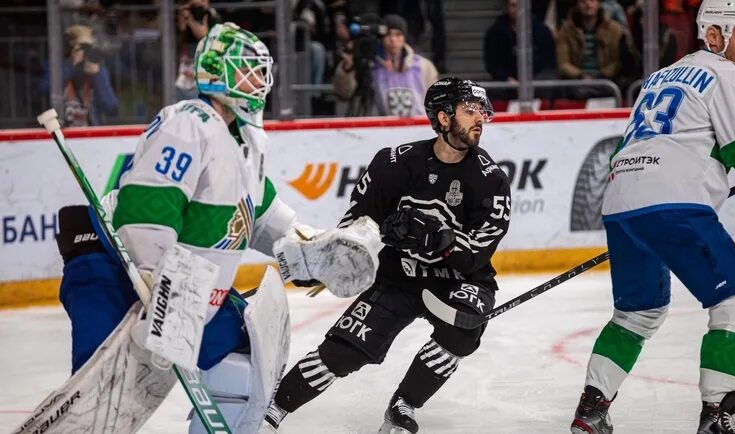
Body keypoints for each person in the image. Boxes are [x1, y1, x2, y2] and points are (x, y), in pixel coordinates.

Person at [51, 22, 381, 434]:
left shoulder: (245, 142)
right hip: (116, 276)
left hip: (186, 292)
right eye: (247, 69)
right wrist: (159, 281)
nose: (259, 81)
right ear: (214, 71)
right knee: (102, 406)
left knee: (242, 369)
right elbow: (149, 207)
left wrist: (310, 248)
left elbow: (259, 216)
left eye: (261, 71)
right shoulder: (188, 122)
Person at [259, 77, 512, 434]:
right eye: (469, 111)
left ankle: (403, 406)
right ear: (442, 117)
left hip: (459, 281)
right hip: (398, 278)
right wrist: (332, 260)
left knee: (463, 328)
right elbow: (354, 226)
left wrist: (441, 240)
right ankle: (273, 408)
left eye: (482, 112)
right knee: (344, 352)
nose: (480, 119)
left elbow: (477, 255)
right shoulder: (393, 164)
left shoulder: (491, 181)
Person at [569, 1, 735, 433]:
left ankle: (591, 410)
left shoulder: (660, 76)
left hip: (621, 201)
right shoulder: (732, 75)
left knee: (637, 314)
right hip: (674, 202)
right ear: (713, 35)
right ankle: (717, 417)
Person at [333, 14, 439, 117]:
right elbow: (343, 93)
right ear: (381, 38)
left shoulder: (423, 66)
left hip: (419, 129)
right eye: (388, 34)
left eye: (398, 34)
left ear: (404, 37)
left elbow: (435, 103)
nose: (393, 39)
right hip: (379, 130)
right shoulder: (369, 65)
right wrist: (347, 67)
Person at [41, 24, 118, 126]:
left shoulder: (97, 70)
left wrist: (97, 75)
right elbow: (43, 90)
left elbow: (110, 105)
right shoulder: (56, 67)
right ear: (71, 50)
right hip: (60, 131)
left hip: (90, 133)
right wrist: (71, 65)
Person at [555, 0, 632, 96]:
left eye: (592, 1)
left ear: (599, 3)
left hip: (607, 80)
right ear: (577, 4)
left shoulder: (614, 29)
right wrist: (581, 76)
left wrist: (600, 76)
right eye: (583, 1)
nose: (588, 5)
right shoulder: (565, 30)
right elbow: (563, 63)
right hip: (575, 81)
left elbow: (616, 62)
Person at [175, 0, 220, 101]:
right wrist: (184, 19)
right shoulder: (186, 15)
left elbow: (212, 41)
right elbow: (178, 39)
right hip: (187, 59)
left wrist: (193, 23)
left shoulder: (212, 15)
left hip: (207, 60)